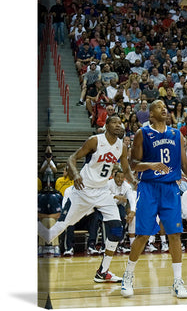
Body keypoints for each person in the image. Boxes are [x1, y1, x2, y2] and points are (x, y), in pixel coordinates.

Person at [120, 100, 187, 298]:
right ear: (150, 114)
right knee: (142, 235)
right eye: (159, 107)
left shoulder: (177, 134)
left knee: (175, 234)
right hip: (149, 187)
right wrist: (151, 165)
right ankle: (128, 275)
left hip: (170, 188)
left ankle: (177, 281)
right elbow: (133, 164)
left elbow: (185, 164)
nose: (164, 109)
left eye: (165, 107)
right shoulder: (143, 133)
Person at [37, 115, 136, 283]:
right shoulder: (95, 141)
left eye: (121, 123)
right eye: (115, 122)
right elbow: (71, 159)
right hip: (82, 191)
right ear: (106, 125)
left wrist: (135, 181)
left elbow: (126, 170)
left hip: (103, 191)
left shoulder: (122, 147)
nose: (119, 125)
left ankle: (103, 272)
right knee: (60, 227)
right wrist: (75, 174)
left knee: (116, 230)